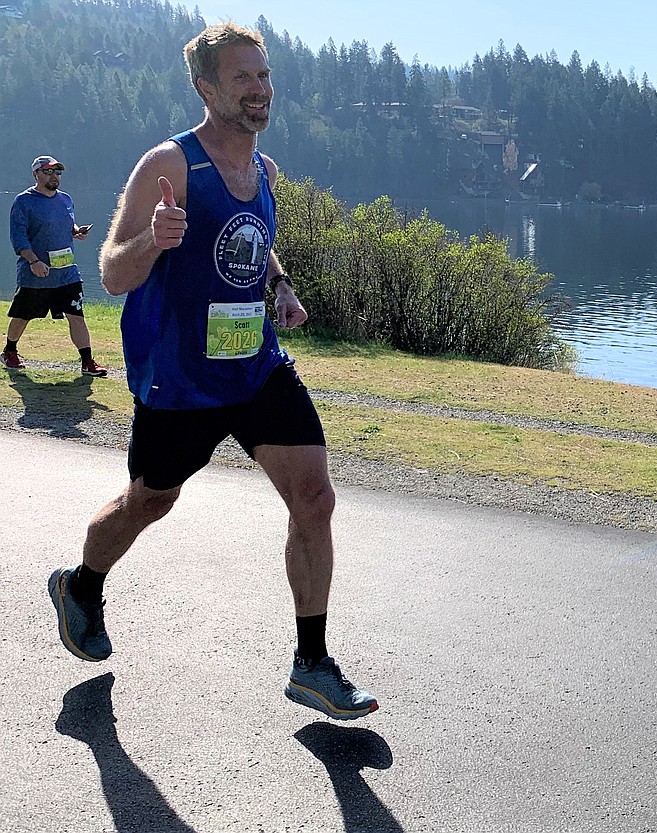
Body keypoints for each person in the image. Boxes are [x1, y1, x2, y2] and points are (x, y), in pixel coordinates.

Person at [46, 21, 378, 721]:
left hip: (255, 369)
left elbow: (256, 247)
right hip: (181, 382)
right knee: (148, 502)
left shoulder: (265, 171)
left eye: (264, 76)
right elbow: (110, 270)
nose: (259, 91)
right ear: (206, 88)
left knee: (315, 499)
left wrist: (279, 288)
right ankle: (81, 584)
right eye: (242, 79)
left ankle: (311, 663)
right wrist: (151, 238)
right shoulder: (170, 165)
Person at [6, 155, 108, 376]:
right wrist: (33, 261)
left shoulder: (65, 199)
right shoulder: (24, 201)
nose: (54, 176)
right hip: (36, 273)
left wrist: (76, 231)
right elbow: (18, 237)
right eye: (49, 172)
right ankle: (9, 351)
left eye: (58, 172)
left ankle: (87, 361)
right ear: (36, 174)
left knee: (76, 314)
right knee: (23, 315)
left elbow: (66, 222)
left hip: (67, 273)